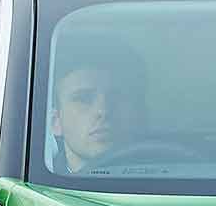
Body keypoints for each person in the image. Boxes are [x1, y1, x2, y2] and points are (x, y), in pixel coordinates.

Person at [48, 37, 146, 174]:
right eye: (83, 99)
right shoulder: (34, 189)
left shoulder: (170, 175)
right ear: (56, 121)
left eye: (116, 97)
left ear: (139, 113)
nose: (103, 110)